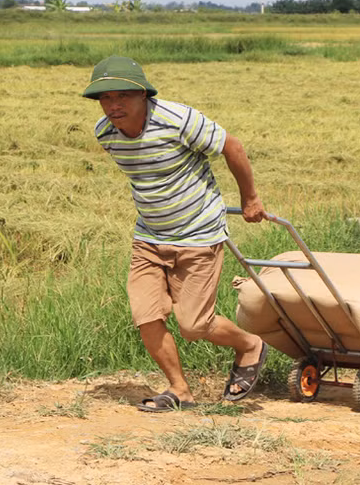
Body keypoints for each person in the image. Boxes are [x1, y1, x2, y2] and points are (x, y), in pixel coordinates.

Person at [83, 56, 269, 412]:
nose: (114, 105)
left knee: (193, 325)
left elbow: (233, 146)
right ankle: (179, 389)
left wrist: (250, 199)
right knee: (146, 315)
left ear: (144, 96)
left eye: (123, 96)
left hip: (199, 235)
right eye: (106, 98)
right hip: (149, 237)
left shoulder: (178, 119)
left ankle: (250, 345)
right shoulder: (104, 132)